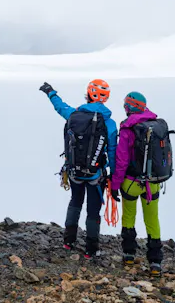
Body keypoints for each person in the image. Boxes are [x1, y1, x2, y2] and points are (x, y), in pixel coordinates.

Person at [40, 79, 117, 259]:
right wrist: (114, 176)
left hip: (74, 172)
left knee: (75, 202)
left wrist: (51, 92)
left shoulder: (74, 115)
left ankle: (69, 241)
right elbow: (112, 151)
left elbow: (60, 107)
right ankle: (91, 249)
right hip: (95, 174)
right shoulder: (109, 123)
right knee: (93, 210)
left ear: (88, 93)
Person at [110, 91, 166, 276]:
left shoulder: (128, 129)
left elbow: (122, 160)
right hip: (153, 182)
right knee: (152, 220)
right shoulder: (155, 125)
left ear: (130, 107)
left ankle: (129, 254)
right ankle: (155, 262)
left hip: (131, 182)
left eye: (126, 105)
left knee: (129, 216)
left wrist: (115, 185)